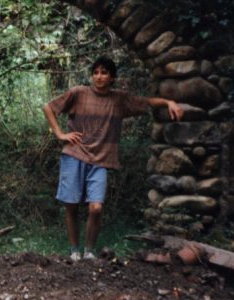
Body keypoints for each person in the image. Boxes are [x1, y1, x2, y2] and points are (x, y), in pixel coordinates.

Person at [43, 56, 184, 261]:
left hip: (101, 160)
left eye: (104, 72)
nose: (99, 77)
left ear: (112, 77)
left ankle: (89, 251)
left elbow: (146, 102)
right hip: (74, 154)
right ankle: (74, 250)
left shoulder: (119, 99)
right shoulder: (78, 93)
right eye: (96, 72)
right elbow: (49, 107)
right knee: (71, 205)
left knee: (96, 207)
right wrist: (60, 134)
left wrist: (169, 102)